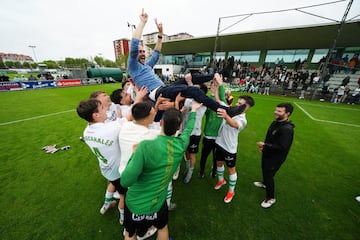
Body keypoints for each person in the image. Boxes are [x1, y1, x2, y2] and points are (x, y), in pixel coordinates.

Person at [127, 9, 245, 117]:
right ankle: (225, 110)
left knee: (189, 77)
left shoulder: (147, 66)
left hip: (164, 88)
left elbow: (156, 53)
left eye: (143, 51)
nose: (142, 53)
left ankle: (221, 73)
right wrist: (142, 22)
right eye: (139, 52)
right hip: (157, 93)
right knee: (193, 90)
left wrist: (160, 35)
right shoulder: (133, 66)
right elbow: (133, 46)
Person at [121, 101, 202, 240]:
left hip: (135, 204)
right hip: (158, 203)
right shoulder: (181, 144)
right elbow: (188, 130)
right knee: (163, 228)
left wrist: (134, 154)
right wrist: (193, 111)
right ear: (179, 127)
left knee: (130, 233)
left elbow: (125, 181)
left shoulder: (145, 146)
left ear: (160, 123)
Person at [76, 99, 127, 222]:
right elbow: (130, 117)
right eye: (102, 108)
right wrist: (139, 98)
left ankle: (106, 204)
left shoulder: (86, 131)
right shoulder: (110, 128)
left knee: (111, 184)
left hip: (106, 169)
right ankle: (123, 218)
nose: (106, 109)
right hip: (117, 172)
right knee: (124, 197)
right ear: (96, 115)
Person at [213, 96, 255, 203]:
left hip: (229, 148)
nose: (237, 105)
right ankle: (221, 181)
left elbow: (234, 124)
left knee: (231, 169)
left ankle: (231, 191)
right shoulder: (231, 110)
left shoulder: (242, 119)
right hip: (219, 143)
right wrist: (217, 86)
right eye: (238, 102)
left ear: (247, 108)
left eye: (241, 104)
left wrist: (226, 116)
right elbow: (219, 100)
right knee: (219, 163)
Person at [254, 103, 295, 208]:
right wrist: (264, 147)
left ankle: (270, 198)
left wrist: (265, 145)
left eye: (279, 111)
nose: (276, 112)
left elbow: (282, 147)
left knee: (269, 175)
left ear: (287, 114)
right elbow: (270, 138)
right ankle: (264, 183)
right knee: (264, 170)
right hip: (268, 153)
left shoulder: (287, 129)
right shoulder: (275, 122)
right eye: (276, 110)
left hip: (275, 158)